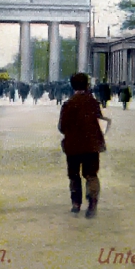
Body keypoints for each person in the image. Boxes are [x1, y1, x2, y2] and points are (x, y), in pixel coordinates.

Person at [58, 73, 111, 218]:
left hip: (73, 145)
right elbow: (100, 121)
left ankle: (76, 204)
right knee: (91, 174)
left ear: (72, 86)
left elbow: (62, 127)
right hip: (91, 145)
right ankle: (92, 203)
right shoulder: (93, 102)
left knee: (74, 175)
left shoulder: (68, 104)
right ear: (87, 85)